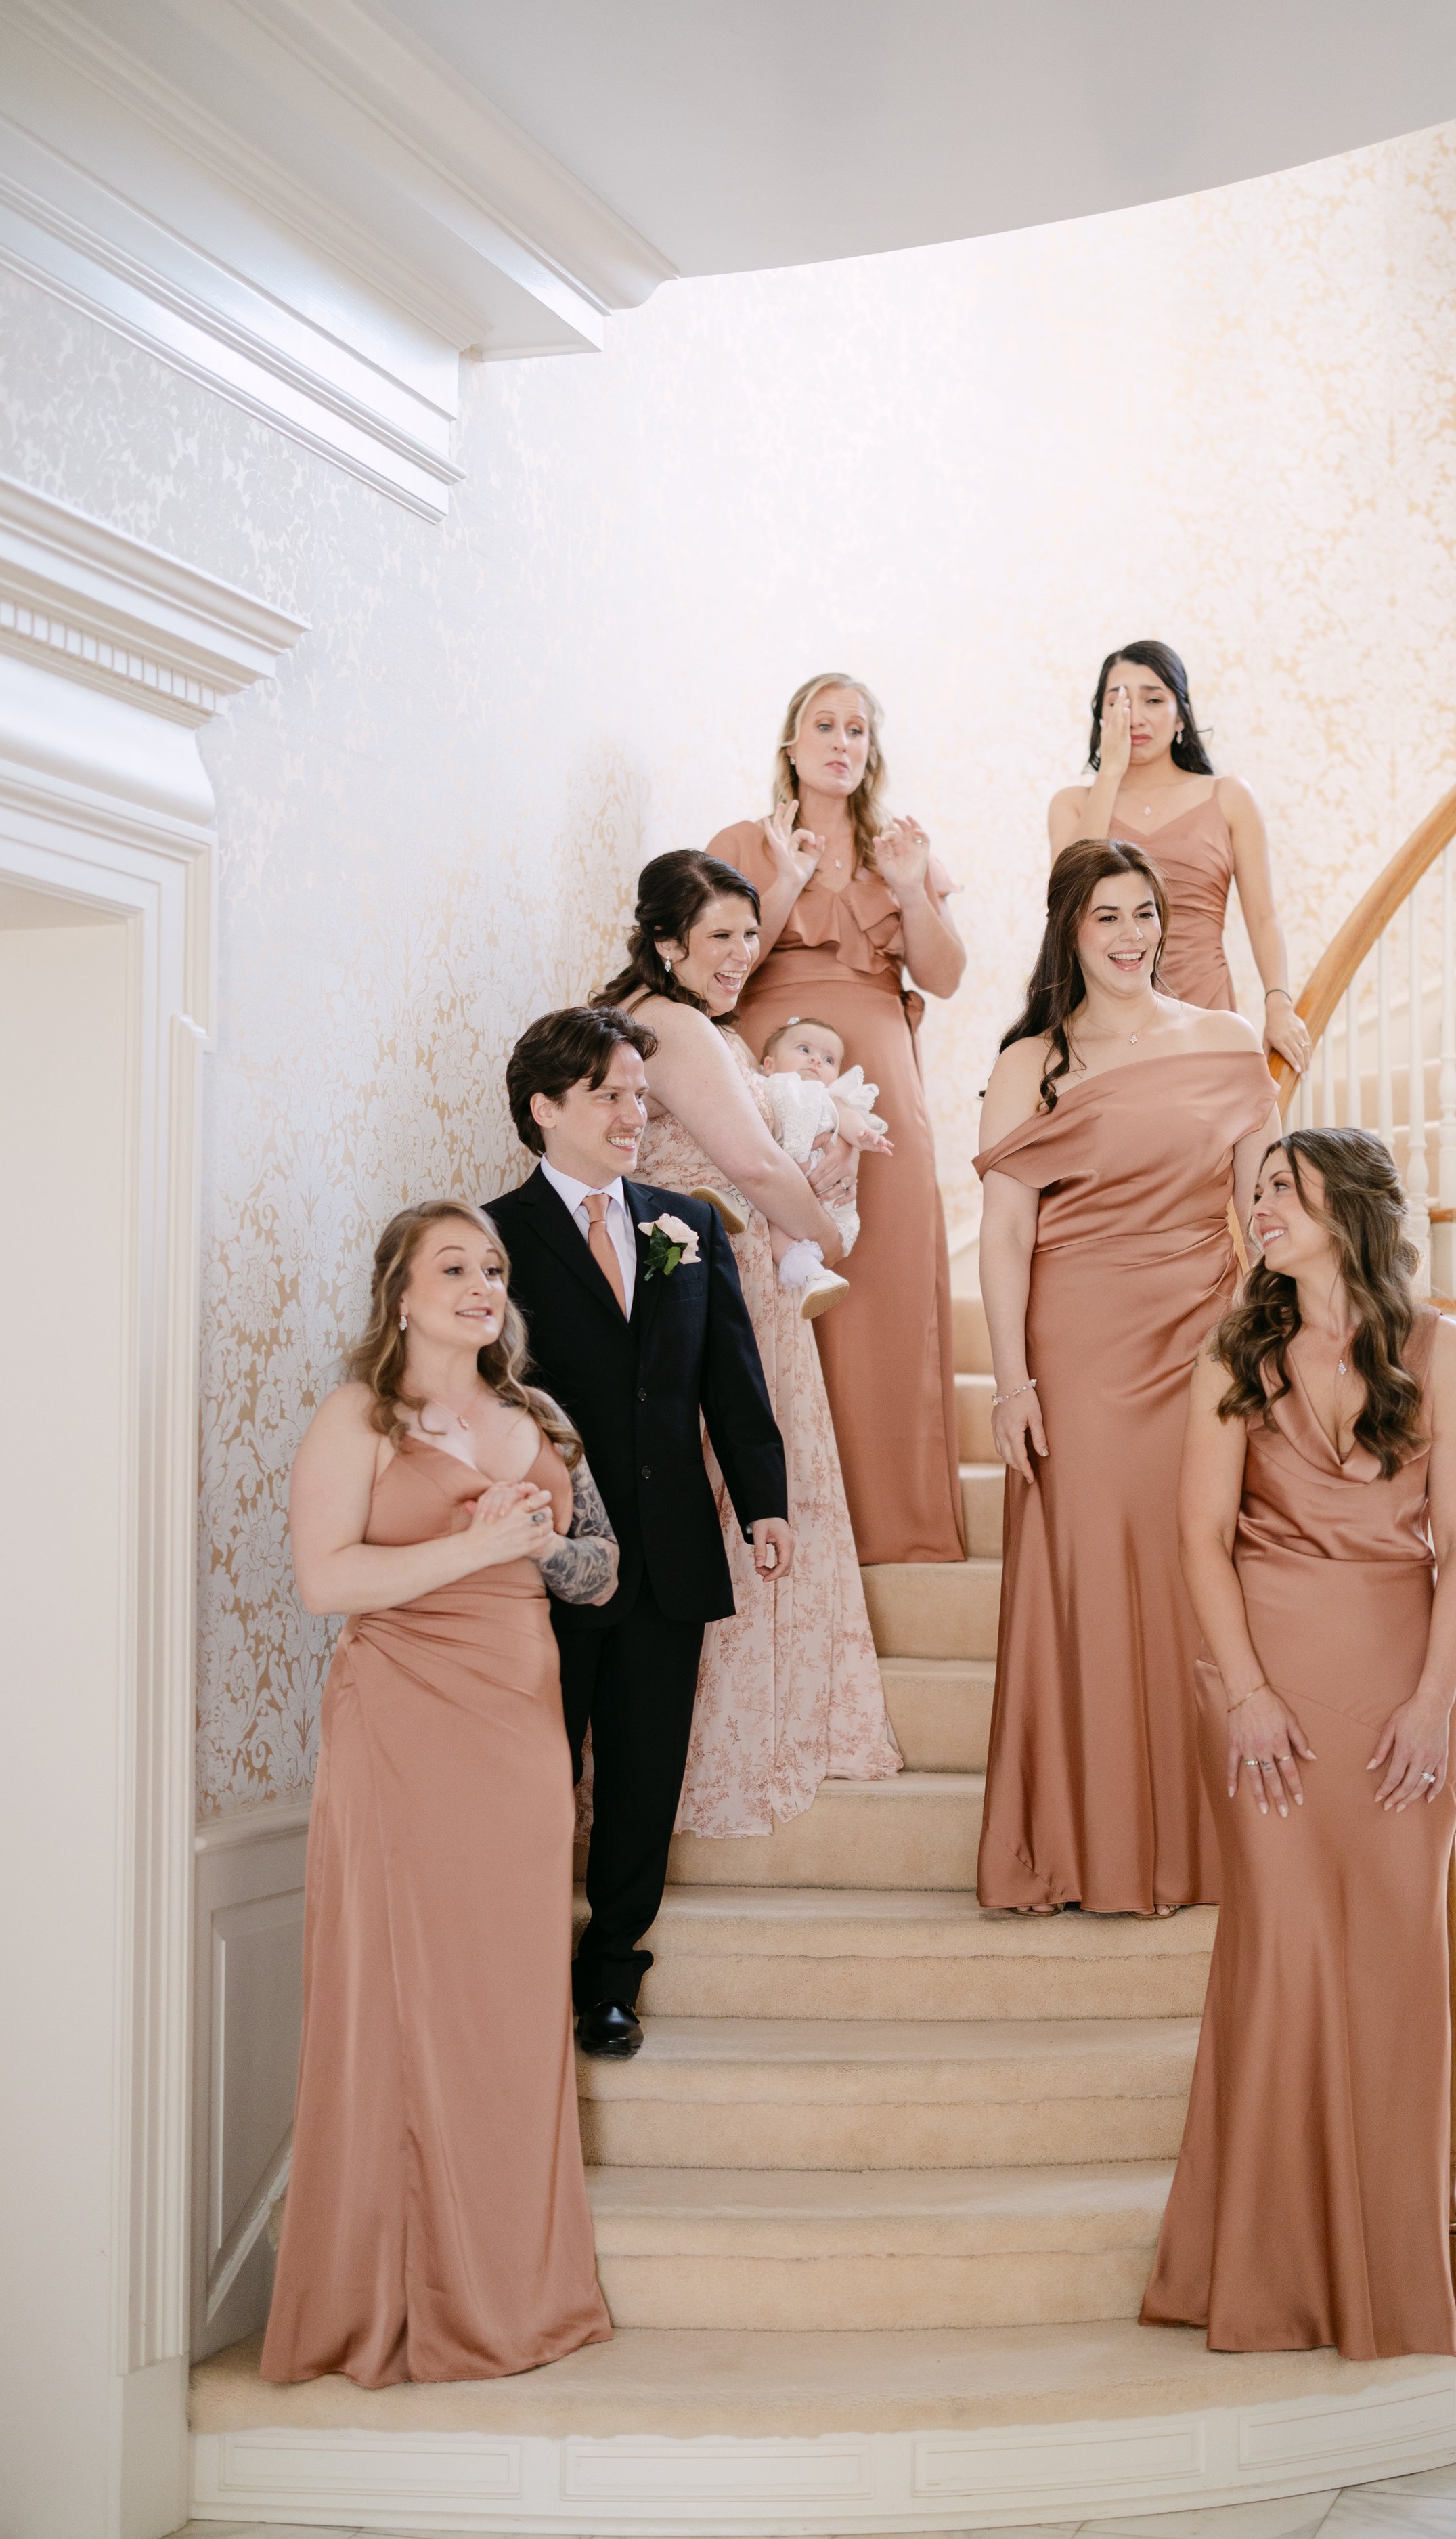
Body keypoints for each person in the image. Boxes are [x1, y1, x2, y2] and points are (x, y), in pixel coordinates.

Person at [1141, 1129, 1456, 2358]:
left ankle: (1388, 2282)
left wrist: (1432, 1701)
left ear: (1345, 1206)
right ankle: (1268, 2276)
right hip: (1269, 1692)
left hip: (1401, 1692)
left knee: (1394, 1974)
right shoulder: (1233, 1353)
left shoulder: (1441, 1352)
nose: (1260, 1211)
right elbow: (1198, 1540)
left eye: (1279, 1191)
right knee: (1282, 1960)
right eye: (1255, 1194)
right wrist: (1243, 1693)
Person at [262, 1202, 615, 2387]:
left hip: (519, 1727)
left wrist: (540, 1547)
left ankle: (510, 2282)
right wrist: (478, 1548)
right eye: (453, 1265)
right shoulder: (357, 1417)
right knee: (403, 1983)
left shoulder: (538, 1417)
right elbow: (324, 1581)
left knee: (507, 1992)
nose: (481, 1282)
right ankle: (393, 2295)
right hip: (402, 1721)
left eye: (493, 1267)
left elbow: (598, 1572)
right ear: (401, 1293)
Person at [975, 839, 1279, 1915]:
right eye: (1106, 916)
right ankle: (1092, 1845)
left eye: (1144, 913)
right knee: (1095, 1570)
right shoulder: (1030, 1060)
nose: (1130, 935)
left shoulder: (1229, 1042)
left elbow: (1268, 1206)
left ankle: (1204, 1841)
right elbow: (1004, 1233)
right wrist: (1012, 1382)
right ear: (1071, 929)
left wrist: (1276, 1342)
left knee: (1203, 1565)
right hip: (1082, 1344)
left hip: (1205, 1330)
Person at [485, 1005, 791, 2059]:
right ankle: (515, 1970)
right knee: (531, 1778)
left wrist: (765, 1503)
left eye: (638, 1092)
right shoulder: (488, 1241)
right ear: (546, 1107)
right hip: (541, 1564)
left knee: (643, 1772)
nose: (634, 1111)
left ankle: (611, 1971)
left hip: (667, 1557)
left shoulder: (687, 1224)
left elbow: (731, 1382)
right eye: (610, 1093)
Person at [593, 853, 902, 1840]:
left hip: (741, 1292)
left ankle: (765, 1723)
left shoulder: (708, 1025)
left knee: (757, 1502)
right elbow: (751, 1161)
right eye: (719, 935)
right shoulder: (674, 1023)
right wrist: (832, 1230)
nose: (740, 953)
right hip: (705, 1296)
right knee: (731, 1507)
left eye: (746, 931)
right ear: (666, 941)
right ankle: (718, 1749)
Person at [715, 672, 968, 1565]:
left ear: (871, 752)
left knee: (884, 1269)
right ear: (791, 744)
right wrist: (782, 883)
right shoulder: (745, 842)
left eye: (856, 728)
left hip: (877, 1067)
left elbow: (942, 975)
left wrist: (907, 890)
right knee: (768, 1268)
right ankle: (776, 1507)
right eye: (823, 725)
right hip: (770, 1057)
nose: (840, 741)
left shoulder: (904, 848)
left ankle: (891, 1517)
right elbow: (725, 969)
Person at [1048, 640, 1312, 1074]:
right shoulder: (1073, 804)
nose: (1135, 715)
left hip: (1204, 1005)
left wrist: (1278, 1004)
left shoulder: (1228, 796)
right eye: (1119, 701)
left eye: (1153, 699)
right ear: (1102, 717)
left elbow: (1263, 916)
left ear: (1181, 715)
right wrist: (1110, 773)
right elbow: (1066, 901)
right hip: (1104, 1013)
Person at [759, 1014, 891, 1314]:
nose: (816, 1061)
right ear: (769, 1065)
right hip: (765, 1183)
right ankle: (811, 1273)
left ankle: (813, 1276)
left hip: (814, 1196)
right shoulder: (764, 1087)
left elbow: (849, 1120)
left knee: (785, 1233)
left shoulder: (830, 1098)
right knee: (765, 1216)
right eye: (804, 1050)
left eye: (828, 1059)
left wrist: (865, 1136)